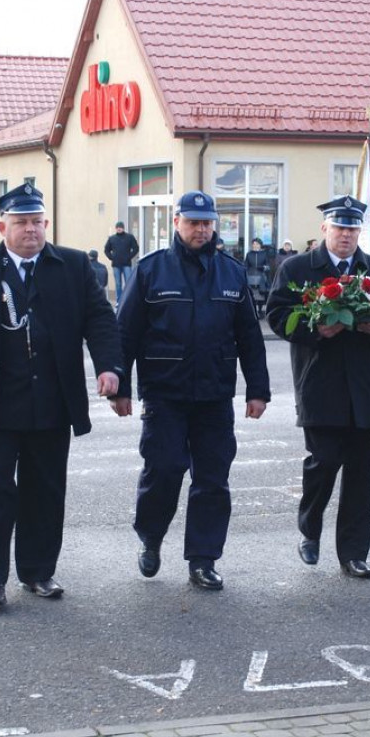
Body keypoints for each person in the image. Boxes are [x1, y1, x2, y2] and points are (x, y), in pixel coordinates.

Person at [0, 184, 122, 610]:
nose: (31, 230)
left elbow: (100, 320)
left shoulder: (72, 265)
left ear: (46, 224)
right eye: (21, 223)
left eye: (37, 222)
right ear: (3, 228)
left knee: (46, 489)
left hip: (52, 401)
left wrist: (109, 367)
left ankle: (38, 571)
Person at [112, 190, 270, 591]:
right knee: (164, 470)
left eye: (207, 223)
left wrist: (258, 390)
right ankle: (151, 537)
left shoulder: (231, 273)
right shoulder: (151, 270)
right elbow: (125, 333)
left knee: (213, 479)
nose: (201, 230)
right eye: (193, 222)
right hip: (165, 393)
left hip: (214, 395)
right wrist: (120, 387)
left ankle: (203, 559)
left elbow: (249, 337)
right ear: (177, 223)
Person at [267, 196, 370, 580]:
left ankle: (354, 554)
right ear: (324, 228)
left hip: (365, 386)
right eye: (339, 227)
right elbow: (277, 315)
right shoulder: (298, 268)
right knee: (323, 462)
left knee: (360, 474)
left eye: (352, 228)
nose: (346, 235)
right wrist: (315, 330)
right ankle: (310, 528)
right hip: (319, 383)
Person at [104, 220, 139, 304]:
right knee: (118, 284)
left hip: (127, 264)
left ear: (123, 228)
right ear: (116, 228)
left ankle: (129, 299)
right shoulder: (112, 238)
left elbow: (136, 248)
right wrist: (112, 257)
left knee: (128, 283)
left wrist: (129, 257)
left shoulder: (129, 237)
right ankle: (119, 301)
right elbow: (106, 250)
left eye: (120, 227)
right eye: (117, 227)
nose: (119, 229)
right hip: (116, 264)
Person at [244, 238, 271, 318]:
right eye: (254, 244)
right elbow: (246, 265)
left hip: (261, 276)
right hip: (251, 276)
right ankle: (254, 311)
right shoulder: (249, 254)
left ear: (260, 245)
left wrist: (263, 267)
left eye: (257, 244)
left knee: (260, 295)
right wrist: (245, 270)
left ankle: (260, 310)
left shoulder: (264, 254)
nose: (255, 245)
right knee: (252, 295)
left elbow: (268, 266)